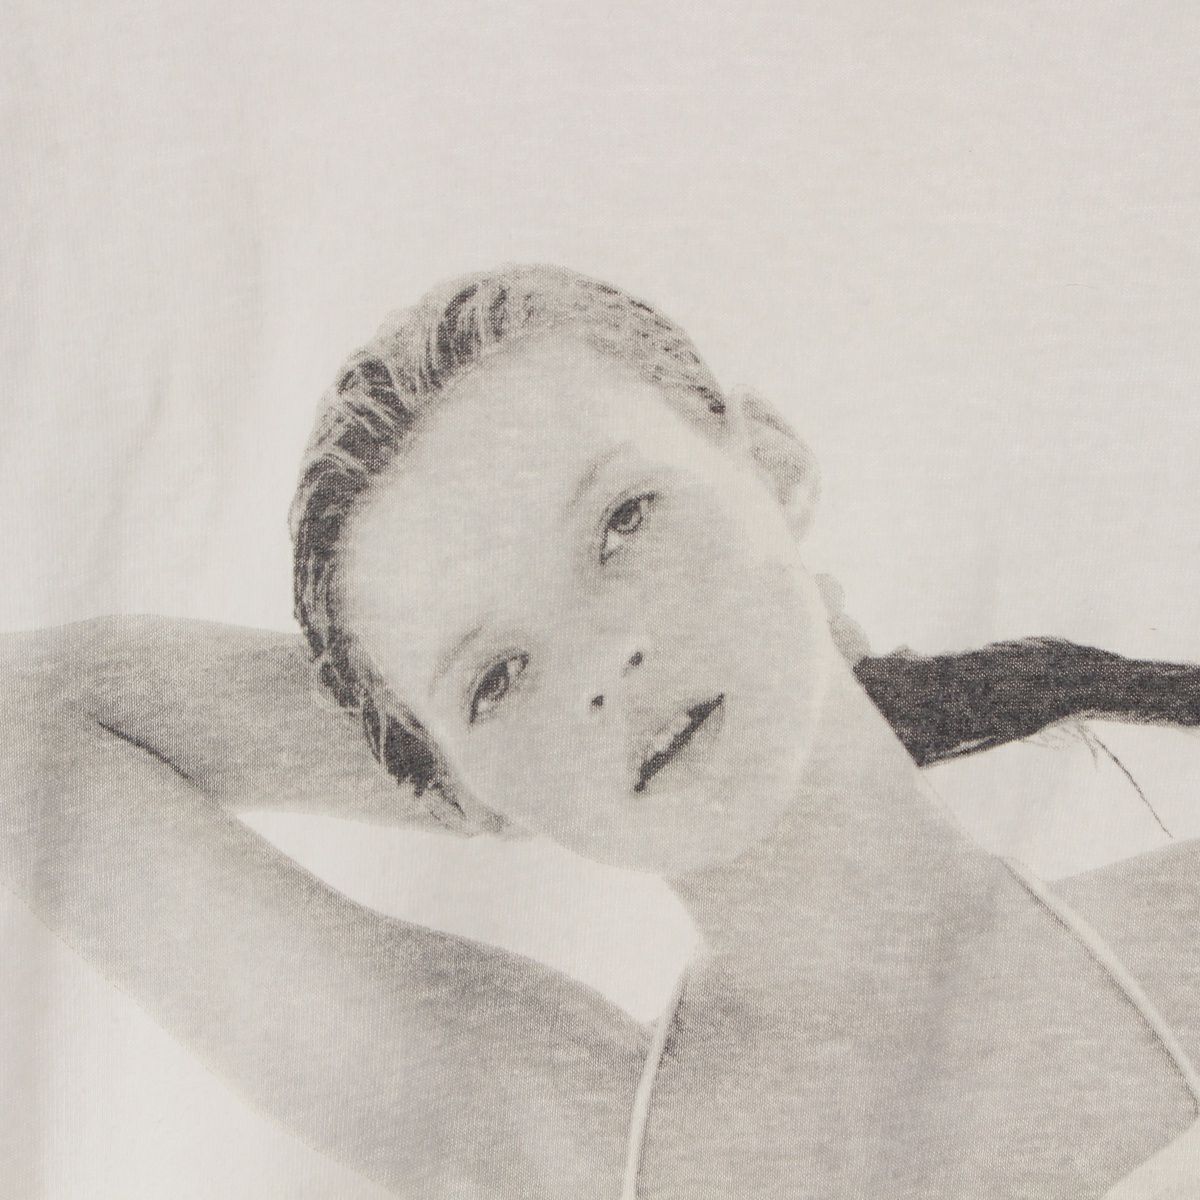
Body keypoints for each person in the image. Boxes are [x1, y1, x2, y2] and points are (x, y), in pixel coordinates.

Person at [2, 264, 1199, 1199]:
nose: (600, 666)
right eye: (501, 674)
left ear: (769, 463)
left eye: (624, 521)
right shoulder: (556, 1142)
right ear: (453, 787)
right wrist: (463, 758)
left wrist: (484, 733)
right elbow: (24, 723)